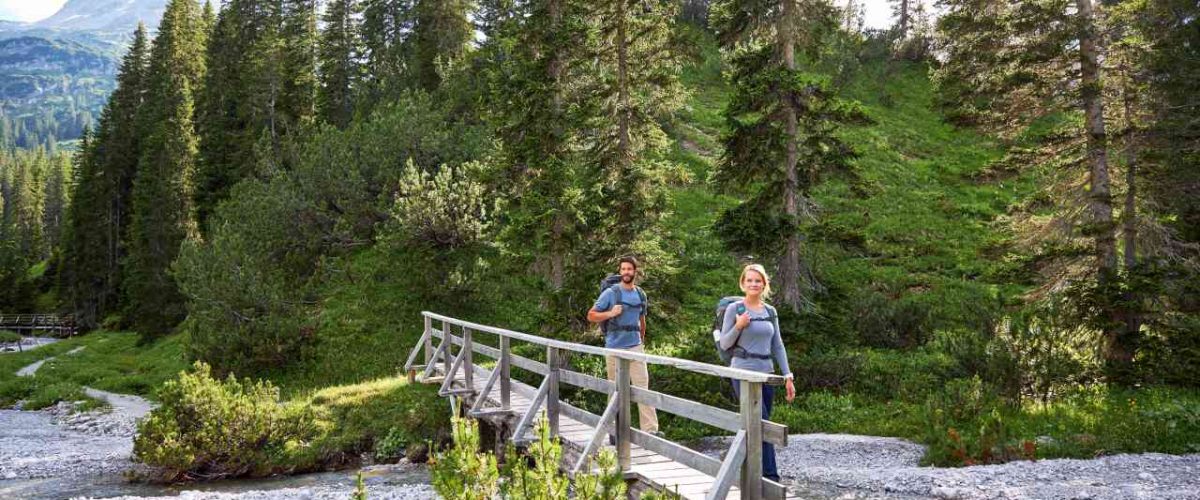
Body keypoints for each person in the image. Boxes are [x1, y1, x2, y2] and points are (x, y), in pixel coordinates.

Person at [719, 263, 795, 482]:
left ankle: (745, 472)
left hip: (767, 374)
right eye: (749, 280)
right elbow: (725, 343)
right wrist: (739, 326)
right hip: (742, 373)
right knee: (761, 424)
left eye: (758, 281)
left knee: (759, 426)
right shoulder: (735, 309)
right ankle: (771, 478)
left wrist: (787, 376)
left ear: (764, 284)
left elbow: (778, 345)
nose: (753, 284)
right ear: (743, 284)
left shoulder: (771, 312)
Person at [587, 256, 659, 435]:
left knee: (643, 388)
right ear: (620, 272)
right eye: (623, 269)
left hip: (635, 347)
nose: (626, 272)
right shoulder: (611, 293)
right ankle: (615, 430)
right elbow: (591, 315)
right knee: (616, 390)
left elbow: (642, 320)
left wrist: (641, 340)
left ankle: (650, 431)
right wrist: (611, 313)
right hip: (614, 348)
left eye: (629, 269)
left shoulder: (641, 294)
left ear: (635, 271)